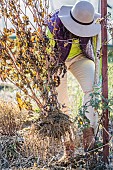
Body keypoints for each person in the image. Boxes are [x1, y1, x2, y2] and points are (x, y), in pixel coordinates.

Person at [47, 0, 101, 160]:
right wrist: (52, 77)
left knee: (93, 86)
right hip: (57, 60)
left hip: (79, 58)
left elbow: (98, 53)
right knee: (61, 99)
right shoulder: (53, 24)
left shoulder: (96, 24)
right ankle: (68, 146)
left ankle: (88, 131)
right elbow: (48, 56)